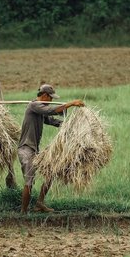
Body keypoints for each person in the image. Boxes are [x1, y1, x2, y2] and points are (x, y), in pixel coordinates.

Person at [18, 84, 85, 214]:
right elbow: (50, 111)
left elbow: (51, 120)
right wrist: (70, 104)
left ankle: (39, 203)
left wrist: (68, 125)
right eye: (51, 98)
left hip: (34, 150)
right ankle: (23, 212)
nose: (52, 101)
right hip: (26, 149)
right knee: (29, 181)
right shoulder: (34, 105)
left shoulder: (40, 110)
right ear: (44, 95)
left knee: (51, 172)